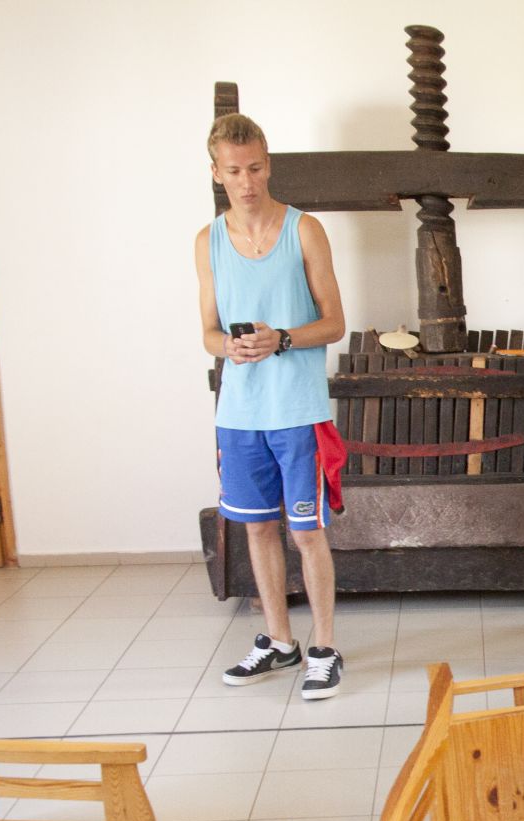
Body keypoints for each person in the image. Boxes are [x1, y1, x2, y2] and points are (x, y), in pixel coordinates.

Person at [195, 113, 348, 700]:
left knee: (307, 533)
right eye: (234, 171)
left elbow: (335, 323)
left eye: (255, 168)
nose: (247, 181)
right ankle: (281, 642)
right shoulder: (207, 241)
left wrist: (281, 338)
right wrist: (229, 347)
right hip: (239, 415)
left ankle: (324, 648)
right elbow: (208, 334)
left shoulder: (304, 230)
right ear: (217, 172)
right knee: (258, 528)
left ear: (268, 164)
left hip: (298, 411)